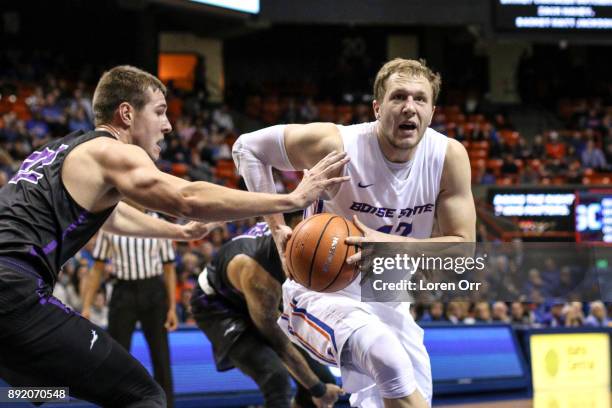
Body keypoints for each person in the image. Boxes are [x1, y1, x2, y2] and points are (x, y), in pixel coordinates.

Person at [0, 65, 348, 407]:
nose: (168, 126)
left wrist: (177, 233)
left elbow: (112, 215)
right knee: (143, 395)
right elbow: (188, 198)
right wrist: (292, 198)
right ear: (126, 113)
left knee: (44, 389)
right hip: (14, 288)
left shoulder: (64, 151)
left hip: (12, 290)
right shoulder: (112, 151)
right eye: (160, 112)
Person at [233, 58, 476, 408]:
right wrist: (277, 228)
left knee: (410, 391)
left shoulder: (448, 156)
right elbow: (247, 148)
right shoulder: (337, 144)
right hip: (322, 291)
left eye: (420, 99)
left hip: (389, 299)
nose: (409, 107)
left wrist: (387, 245)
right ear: (378, 107)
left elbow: (462, 248)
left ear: (432, 110)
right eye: (399, 97)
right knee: (386, 356)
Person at [191, 215, 343, 408]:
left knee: (321, 378)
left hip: (251, 295)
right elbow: (280, 346)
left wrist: (317, 387)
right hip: (219, 306)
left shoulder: (299, 235)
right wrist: (319, 391)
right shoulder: (260, 277)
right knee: (276, 378)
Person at [82, 204, 210, 408]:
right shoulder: (111, 223)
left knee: (161, 356)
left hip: (153, 292)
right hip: (123, 290)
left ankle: (166, 405)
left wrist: (171, 308)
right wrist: (86, 305)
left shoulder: (158, 224)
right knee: (117, 357)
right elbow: (97, 268)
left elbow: (169, 269)